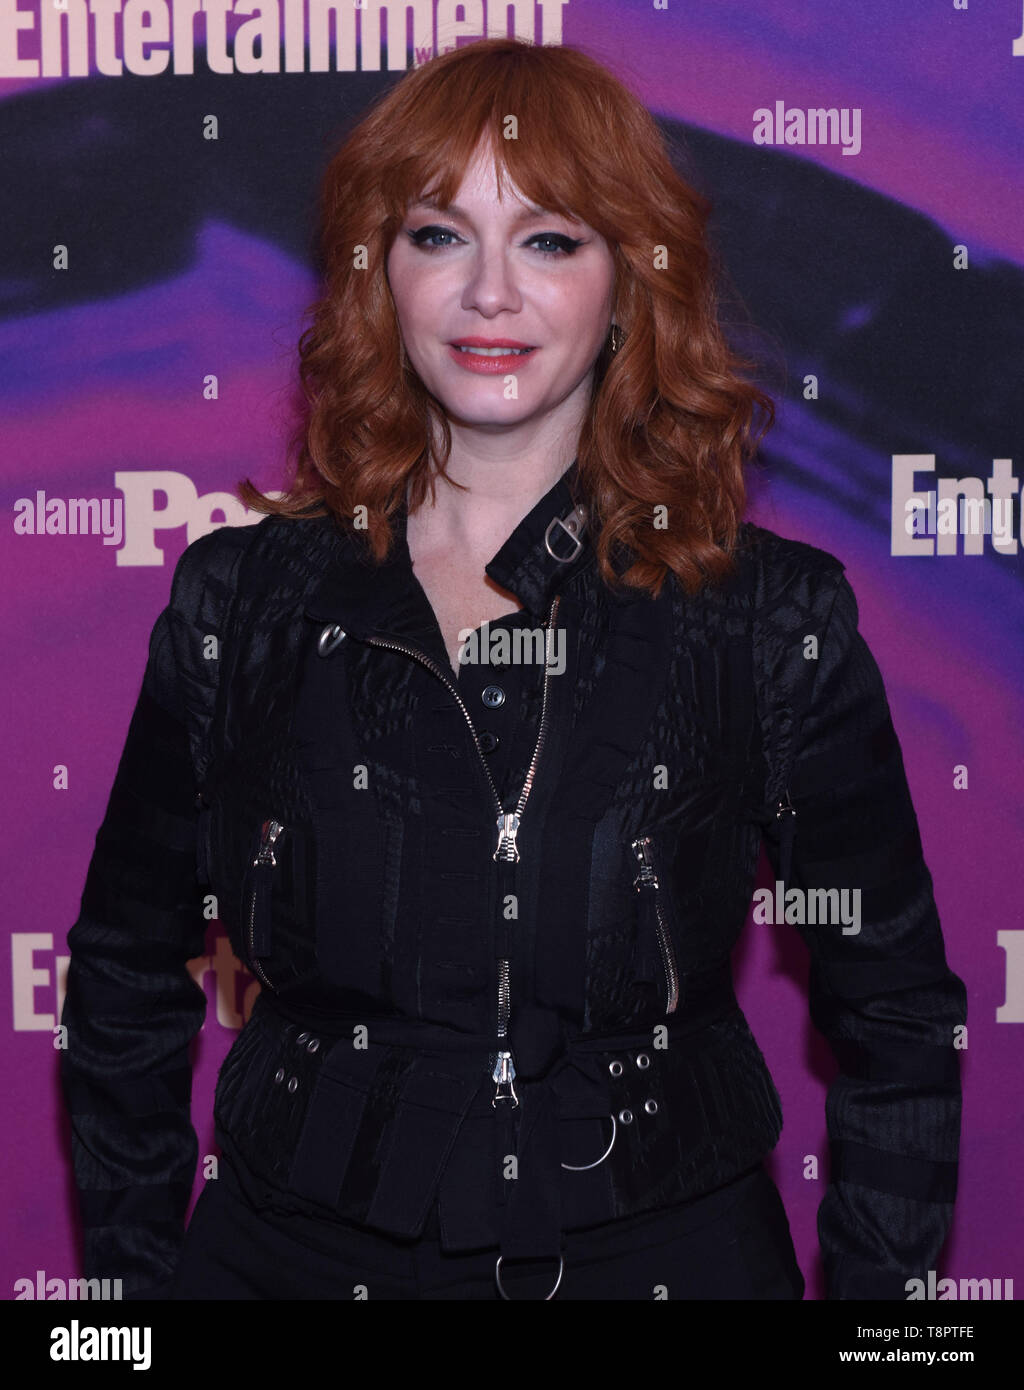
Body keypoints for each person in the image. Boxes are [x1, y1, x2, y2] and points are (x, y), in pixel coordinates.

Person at [60, 37, 966, 1302]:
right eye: (440, 234)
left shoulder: (766, 618)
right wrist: (132, 1305)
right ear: (381, 275)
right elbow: (120, 978)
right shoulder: (241, 599)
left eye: (549, 239)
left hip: (665, 1260)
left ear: (627, 280)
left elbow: (898, 1017)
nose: (491, 292)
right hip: (287, 1261)